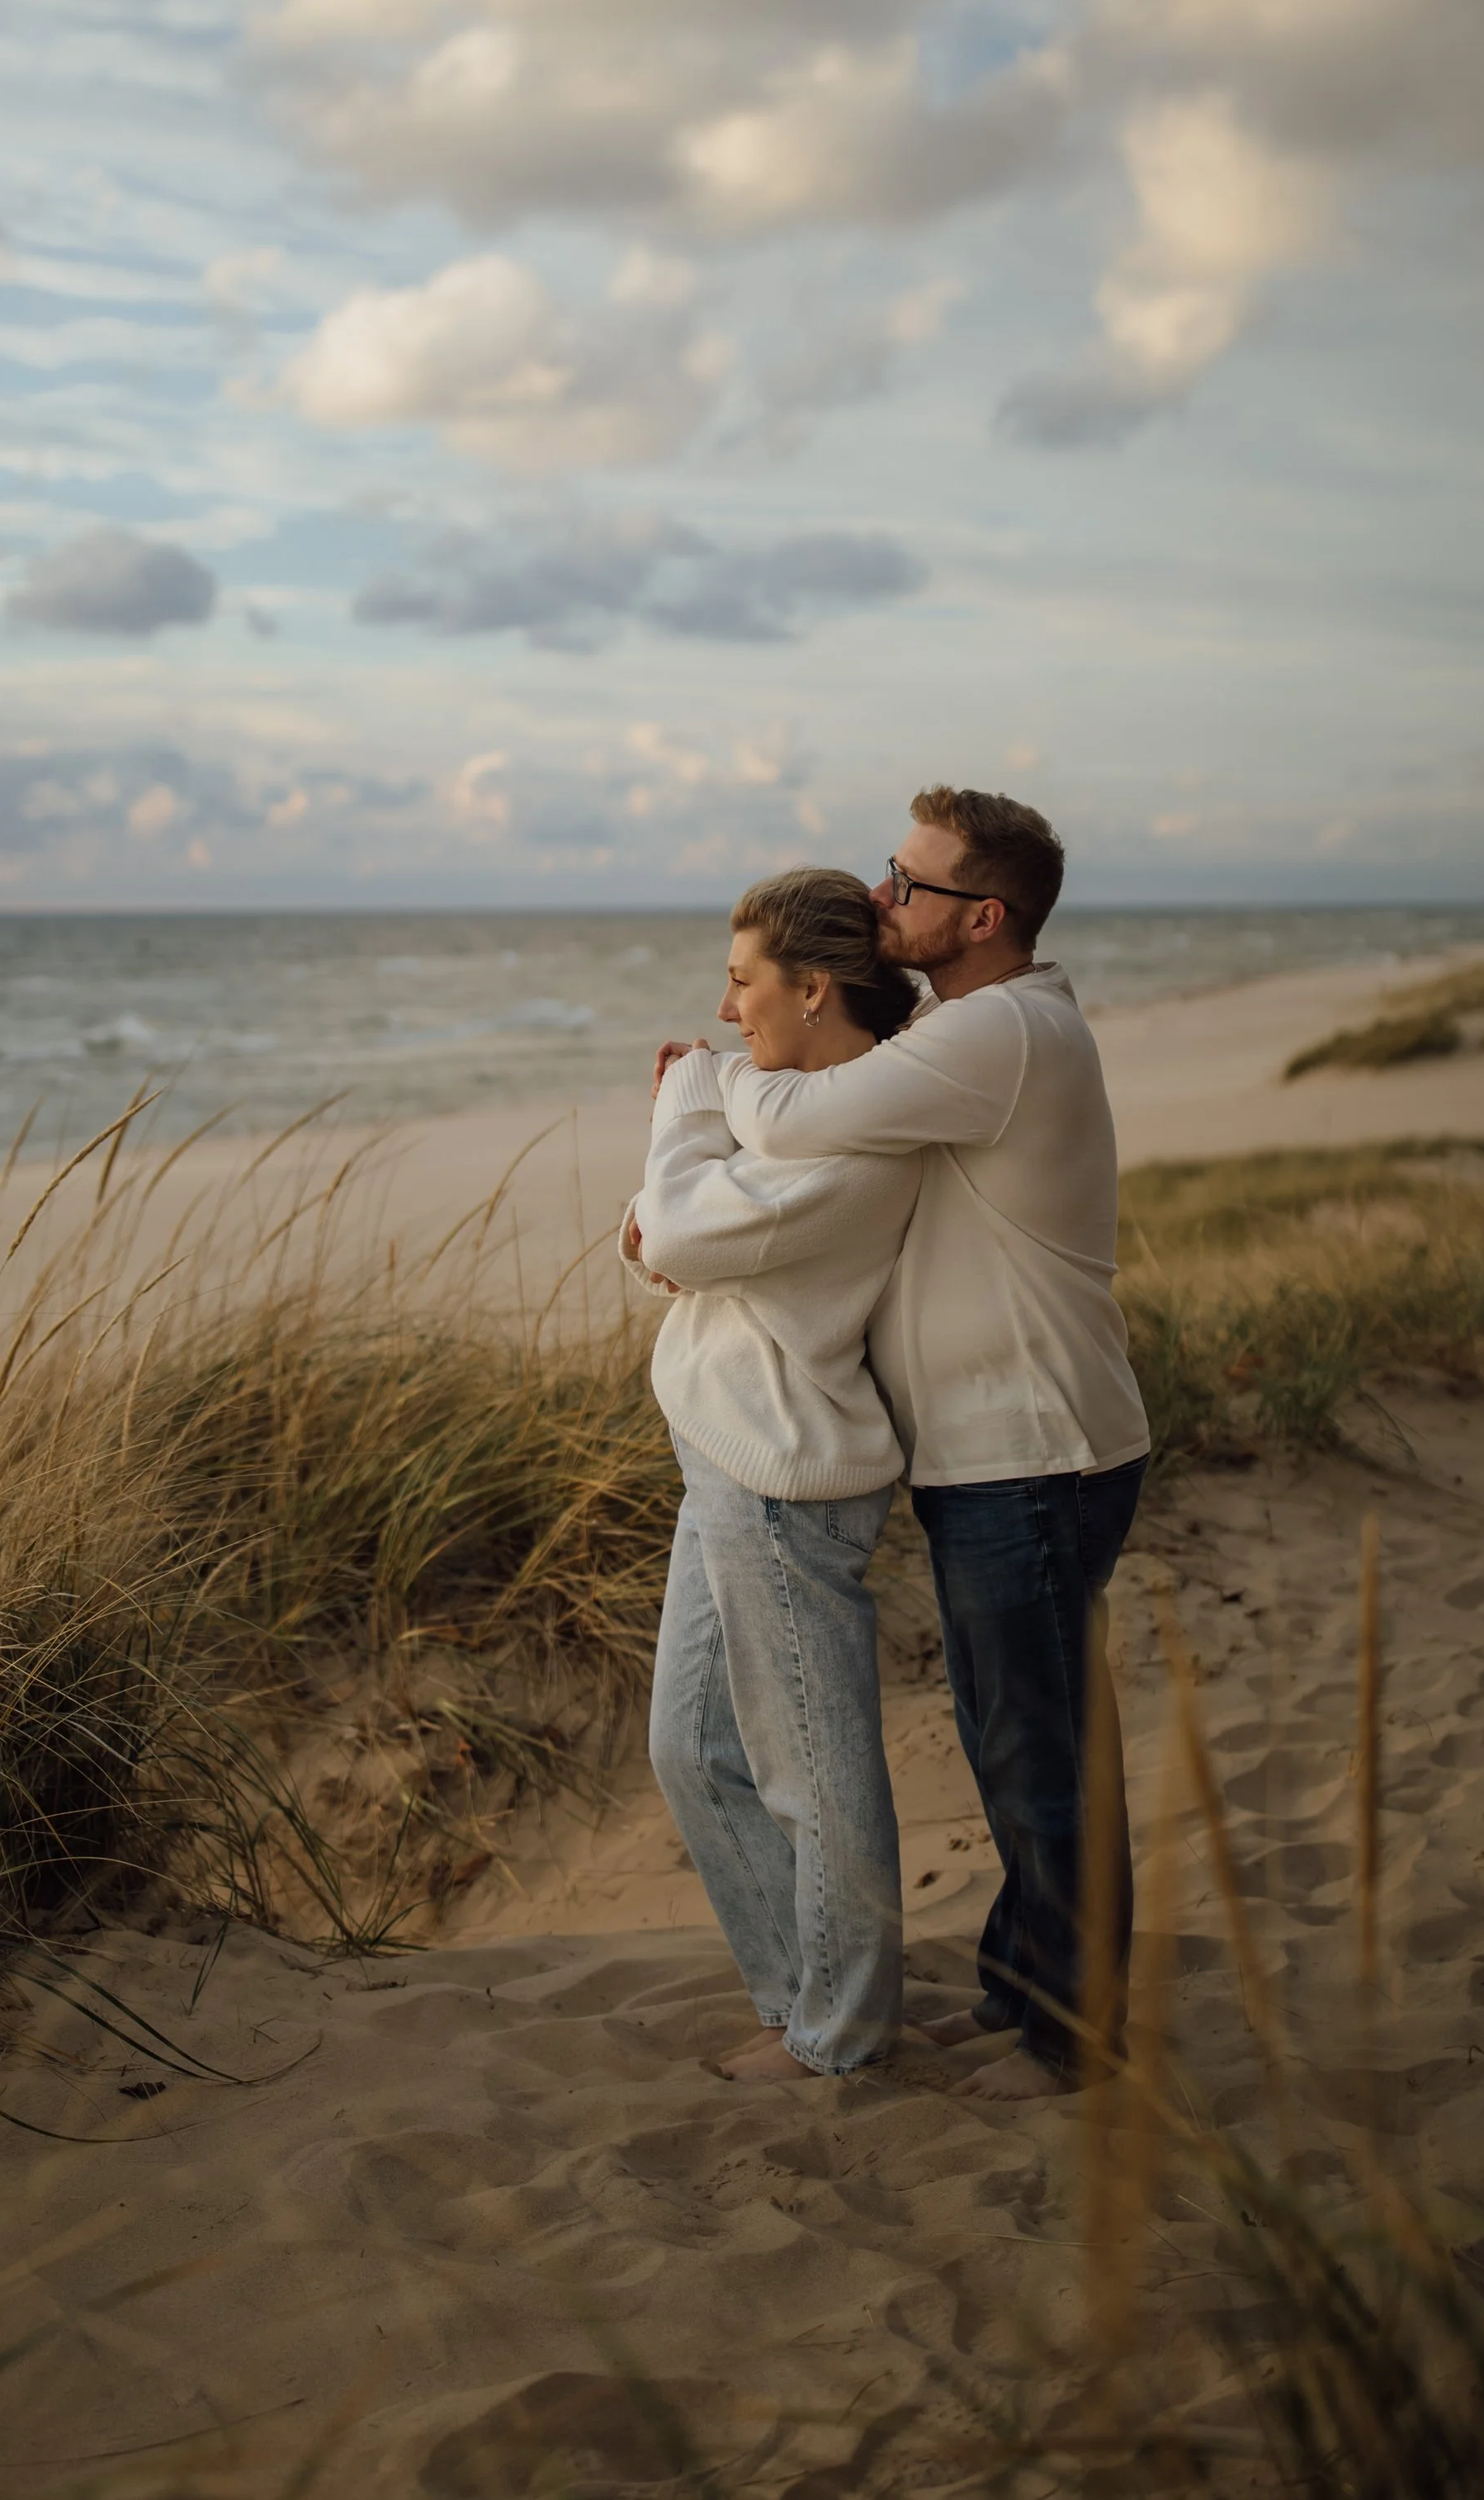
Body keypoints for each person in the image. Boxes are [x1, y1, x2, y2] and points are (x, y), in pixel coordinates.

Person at [657, 788, 1149, 2101]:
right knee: (1017, 1738)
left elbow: (795, 1118)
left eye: (911, 884)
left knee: (1039, 1757)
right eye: (886, 872)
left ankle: (1070, 2039)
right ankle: (1023, 1997)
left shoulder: (1001, 1032)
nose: (885, 900)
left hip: (1034, 1446)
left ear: (984, 916)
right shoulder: (970, 1032)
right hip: (1002, 1446)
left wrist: (705, 1087)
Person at [622, 868, 920, 2086]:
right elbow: (661, 1238)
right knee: (690, 1750)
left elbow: (683, 1228)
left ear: (811, 986)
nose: (727, 1004)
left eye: (744, 979)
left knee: (811, 1772)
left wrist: (687, 1101)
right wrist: (674, 1201)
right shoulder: (790, 1108)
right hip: (727, 1453)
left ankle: (839, 2033)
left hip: (788, 1479)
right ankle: (800, 1999)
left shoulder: (856, 1124)